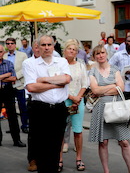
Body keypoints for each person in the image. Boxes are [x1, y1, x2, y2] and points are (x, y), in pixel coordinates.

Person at [23, 35, 71, 173]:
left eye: (49, 45)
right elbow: (31, 87)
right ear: (38, 46)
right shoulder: (30, 64)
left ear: (53, 45)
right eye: (43, 45)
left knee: (56, 146)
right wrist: (56, 84)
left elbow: (66, 79)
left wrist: (43, 80)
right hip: (40, 109)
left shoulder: (61, 61)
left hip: (58, 109)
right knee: (41, 147)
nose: (46, 48)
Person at [88, 44, 130, 173]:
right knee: (103, 142)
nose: (101, 55)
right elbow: (95, 90)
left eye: (102, 52)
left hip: (117, 107)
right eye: (97, 54)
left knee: (124, 142)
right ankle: (106, 171)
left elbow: (121, 88)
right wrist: (112, 86)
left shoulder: (115, 69)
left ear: (106, 54)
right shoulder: (92, 71)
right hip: (100, 108)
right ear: (94, 56)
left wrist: (103, 90)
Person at [58, 39, 88, 172]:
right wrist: (71, 97)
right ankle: (59, 159)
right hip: (63, 100)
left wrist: (78, 98)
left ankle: (79, 159)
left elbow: (84, 83)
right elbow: (58, 84)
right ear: (64, 50)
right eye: (69, 48)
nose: (72, 51)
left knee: (78, 131)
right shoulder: (59, 64)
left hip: (78, 101)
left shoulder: (81, 65)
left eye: (74, 49)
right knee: (61, 131)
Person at [0, 44, 26, 147]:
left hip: (8, 90)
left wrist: (1, 77)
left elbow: (14, 78)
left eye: (1, 52)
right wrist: (6, 75)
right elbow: (10, 76)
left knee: (13, 116)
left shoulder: (9, 63)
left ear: (4, 52)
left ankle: (17, 140)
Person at [4, 38, 29, 133]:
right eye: (8, 43)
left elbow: (25, 68)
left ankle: (25, 125)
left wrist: (15, 76)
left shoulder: (22, 55)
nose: (10, 45)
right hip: (7, 84)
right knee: (10, 108)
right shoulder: (4, 55)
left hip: (19, 84)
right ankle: (13, 127)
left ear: (15, 44)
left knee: (22, 106)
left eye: (11, 43)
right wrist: (8, 78)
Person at [24, 39, 40, 172]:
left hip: (50, 102)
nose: (39, 49)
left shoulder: (53, 61)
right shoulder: (28, 63)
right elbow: (32, 85)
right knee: (34, 133)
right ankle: (32, 159)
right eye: (36, 47)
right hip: (33, 100)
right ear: (33, 49)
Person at [109, 36, 130, 100]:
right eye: (129, 41)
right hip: (122, 86)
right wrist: (120, 73)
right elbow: (109, 67)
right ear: (125, 42)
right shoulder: (118, 55)